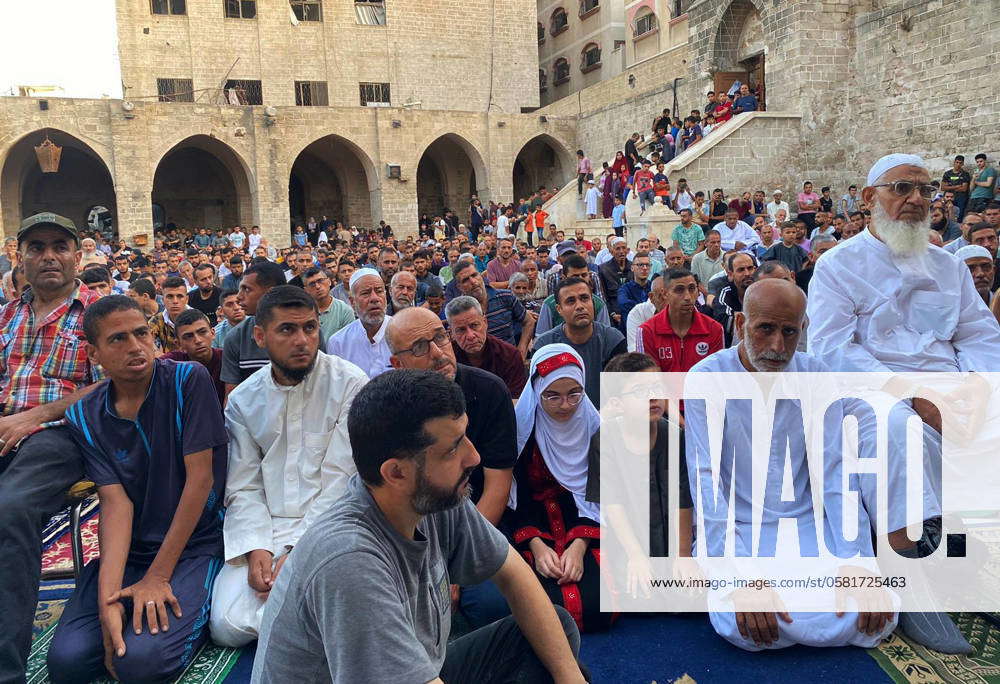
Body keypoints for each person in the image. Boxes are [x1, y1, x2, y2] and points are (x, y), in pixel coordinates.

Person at [252, 369, 583, 682]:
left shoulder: (433, 496)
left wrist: (571, 679)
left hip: (422, 667)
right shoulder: (349, 560)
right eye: (453, 448)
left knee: (554, 637)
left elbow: (513, 574)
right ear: (395, 472)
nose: (474, 457)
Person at [807, 153, 1000, 653]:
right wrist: (912, 393)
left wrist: (978, 387)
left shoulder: (947, 266)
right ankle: (906, 573)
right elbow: (831, 351)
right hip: (871, 391)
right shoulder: (836, 266)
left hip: (954, 387)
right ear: (870, 199)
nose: (917, 200)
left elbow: (979, 333)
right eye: (902, 189)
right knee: (896, 428)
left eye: (925, 189)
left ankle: (971, 562)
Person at [685, 279, 897, 651]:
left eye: (789, 332)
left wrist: (858, 562)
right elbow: (707, 483)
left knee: (870, 612)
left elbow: (836, 472)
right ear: (739, 324)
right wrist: (739, 578)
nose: (777, 346)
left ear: (804, 330)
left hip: (806, 522)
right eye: (765, 328)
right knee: (742, 622)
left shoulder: (816, 377)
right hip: (736, 527)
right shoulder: (706, 379)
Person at [46, 295, 228, 682]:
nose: (135, 346)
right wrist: (108, 601)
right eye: (118, 339)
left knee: (140, 663)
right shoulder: (84, 413)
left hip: (194, 544)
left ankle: (198, 601)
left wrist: (159, 576)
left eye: (141, 333)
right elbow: (116, 504)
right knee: (68, 661)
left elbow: (201, 480)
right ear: (94, 353)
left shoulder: (186, 380)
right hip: (131, 550)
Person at [211, 286, 367, 648]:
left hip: (335, 526)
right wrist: (257, 550)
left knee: (317, 602)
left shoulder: (351, 384)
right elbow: (243, 486)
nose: (302, 340)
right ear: (261, 336)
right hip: (270, 529)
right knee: (228, 625)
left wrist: (300, 551)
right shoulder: (244, 401)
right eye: (287, 330)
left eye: (310, 328)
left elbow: (343, 483)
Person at [0, 214, 108, 681]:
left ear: (76, 256)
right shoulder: (8, 315)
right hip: (6, 427)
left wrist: (36, 416)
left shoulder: (100, 313)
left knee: (10, 510)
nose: (48, 256)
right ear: (19, 257)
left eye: (59, 246)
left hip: (59, 436)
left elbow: (113, 387)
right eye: (37, 247)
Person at [508, 344, 611, 632]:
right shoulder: (521, 432)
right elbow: (514, 496)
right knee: (541, 604)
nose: (565, 405)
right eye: (552, 396)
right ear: (536, 392)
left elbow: (603, 494)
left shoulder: (596, 429)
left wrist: (579, 546)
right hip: (533, 522)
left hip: (587, 521)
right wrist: (537, 546)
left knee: (599, 604)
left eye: (574, 394)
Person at [533, 278, 626, 407]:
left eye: (584, 298)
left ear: (592, 302)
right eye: (571, 301)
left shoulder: (613, 340)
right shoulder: (545, 346)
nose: (580, 306)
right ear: (559, 309)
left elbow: (621, 392)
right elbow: (542, 395)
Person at [637, 267, 724, 372]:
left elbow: (715, 377)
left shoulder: (714, 329)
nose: (687, 297)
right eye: (679, 290)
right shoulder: (647, 331)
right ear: (665, 294)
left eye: (692, 289)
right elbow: (648, 381)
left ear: (698, 292)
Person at [222, 261, 288, 393]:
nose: (239, 297)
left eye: (247, 289)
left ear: (270, 293)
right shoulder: (236, 338)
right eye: (240, 288)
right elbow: (232, 399)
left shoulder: (306, 333)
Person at [446, 296, 527, 397]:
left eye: (474, 325)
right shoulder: (446, 360)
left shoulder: (509, 355)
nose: (470, 336)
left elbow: (516, 402)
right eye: (461, 330)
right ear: (451, 333)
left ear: (485, 322)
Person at [451, 260, 532, 353]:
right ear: (459, 287)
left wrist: (521, 350)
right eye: (465, 280)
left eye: (474, 275)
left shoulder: (506, 297)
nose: (473, 281)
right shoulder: (458, 312)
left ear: (481, 276)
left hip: (510, 362)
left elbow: (529, 321)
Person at [326, 268, 393, 378]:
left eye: (379, 291)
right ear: (352, 302)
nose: (374, 298)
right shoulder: (338, 342)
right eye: (366, 293)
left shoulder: (403, 334)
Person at [163, 309, 226, 406]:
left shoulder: (227, 359)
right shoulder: (172, 363)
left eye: (202, 332)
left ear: (212, 333)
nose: (198, 340)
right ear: (178, 344)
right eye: (188, 336)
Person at [712, 252, 756, 347]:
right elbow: (724, 319)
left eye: (750, 268)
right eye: (741, 270)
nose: (747, 273)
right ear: (730, 274)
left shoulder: (762, 288)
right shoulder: (725, 292)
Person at [148, 276, 190, 353]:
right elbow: (146, 341)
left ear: (187, 299)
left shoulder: (199, 319)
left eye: (180, 296)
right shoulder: (157, 320)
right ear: (163, 300)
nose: (175, 301)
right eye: (170, 296)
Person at [598, 237, 632, 330]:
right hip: (613, 315)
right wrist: (612, 313)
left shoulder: (633, 267)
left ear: (627, 250)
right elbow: (603, 295)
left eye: (623, 248)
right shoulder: (604, 269)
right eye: (618, 248)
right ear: (612, 251)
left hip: (631, 313)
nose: (621, 251)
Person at [617, 251, 653, 325]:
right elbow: (623, 304)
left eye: (647, 265)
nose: (645, 268)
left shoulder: (654, 287)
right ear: (632, 268)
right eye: (640, 265)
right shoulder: (624, 289)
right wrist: (650, 308)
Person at [941, 154, 971, 219]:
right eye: (957, 162)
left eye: (960, 163)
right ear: (954, 162)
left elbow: (964, 189)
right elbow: (943, 188)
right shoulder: (947, 174)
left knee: (959, 215)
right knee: (946, 213)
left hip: (961, 198)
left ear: (963, 164)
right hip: (948, 197)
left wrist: (949, 187)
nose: (958, 164)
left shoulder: (965, 174)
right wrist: (956, 187)